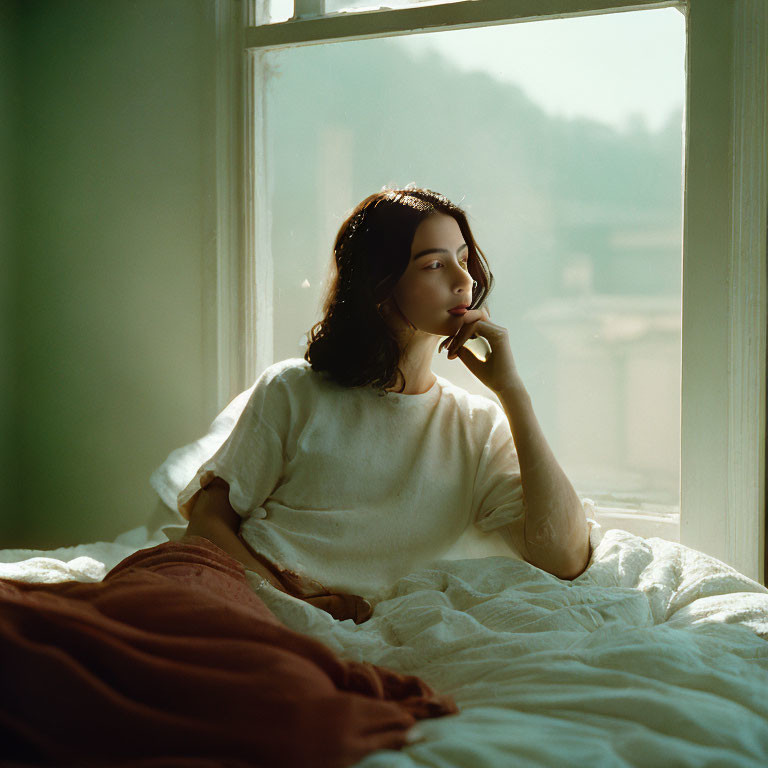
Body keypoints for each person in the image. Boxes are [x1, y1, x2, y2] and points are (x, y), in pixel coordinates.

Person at [178, 184, 592, 623]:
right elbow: (206, 526)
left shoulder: (476, 425)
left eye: (464, 260)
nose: (464, 280)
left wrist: (513, 393)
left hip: (337, 629)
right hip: (247, 599)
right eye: (435, 264)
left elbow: (564, 559)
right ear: (380, 283)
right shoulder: (293, 390)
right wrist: (289, 607)